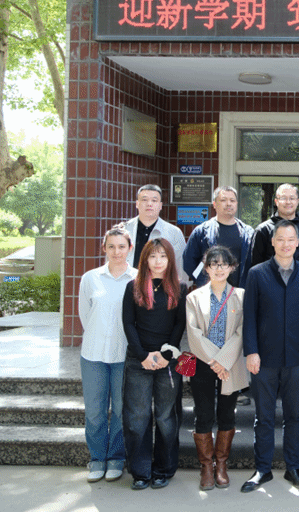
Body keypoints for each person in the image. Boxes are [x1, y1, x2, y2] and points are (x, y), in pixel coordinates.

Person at [241, 220, 299, 492]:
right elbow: (249, 316)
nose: (286, 244)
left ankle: (293, 468)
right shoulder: (257, 273)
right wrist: (251, 351)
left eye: (290, 239)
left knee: (294, 416)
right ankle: (262, 469)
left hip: (296, 357)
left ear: (298, 243)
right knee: (263, 416)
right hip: (264, 358)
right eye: (280, 239)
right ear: (273, 242)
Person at [121, 239, 186, 490]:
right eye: (153, 256)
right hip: (139, 360)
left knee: (166, 417)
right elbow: (128, 323)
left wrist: (166, 355)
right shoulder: (133, 287)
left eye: (163, 256)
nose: (158, 262)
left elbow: (179, 324)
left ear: (170, 260)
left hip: (168, 362)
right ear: (144, 259)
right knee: (137, 417)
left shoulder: (179, 287)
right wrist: (143, 356)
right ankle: (140, 471)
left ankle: (163, 469)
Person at [185, 246, 248, 491]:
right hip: (203, 364)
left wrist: (224, 361)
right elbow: (194, 334)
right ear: (206, 268)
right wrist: (215, 361)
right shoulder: (194, 297)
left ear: (232, 267)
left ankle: (221, 464)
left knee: (227, 414)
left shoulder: (241, 295)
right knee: (203, 414)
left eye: (224, 264)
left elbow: (242, 331)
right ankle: (206, 467)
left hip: (230, 365)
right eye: (214, 264)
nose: (219, 268)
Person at [78, 225, 136, 483]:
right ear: (104, 248)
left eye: (121, 246)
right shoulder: (90, 278)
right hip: (93, 354)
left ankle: (116, 458)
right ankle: (97, 459)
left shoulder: (137, 279)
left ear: (130, 248)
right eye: (111, 246)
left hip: (124, 355)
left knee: (122, 411)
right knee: (95, 411)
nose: (116, 251)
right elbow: (85, 315)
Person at [184, 186, 254, 288]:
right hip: (210, 291)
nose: (228, 203)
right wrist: (202, 280)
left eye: (232, 200)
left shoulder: (248, 233)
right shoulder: (202, 231)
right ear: (214, 204)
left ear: (236, 204)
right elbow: (188, 262)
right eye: (223, 200)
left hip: (239, 292)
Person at [124, 184, 187, 283]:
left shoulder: (174, 232)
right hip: (127, 287)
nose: (149, 204)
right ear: (137, 204)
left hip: (161, 288)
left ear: (160, 205)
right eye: (144, 200)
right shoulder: (124, 229)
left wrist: (179, 290)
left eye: (154, 200)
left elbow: (180, 268)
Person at [249, 183, 299, 269]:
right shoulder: (264, 229)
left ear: (297, 201)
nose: (288, 202)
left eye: (292, 198)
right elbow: (256, 264)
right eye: (283, 198)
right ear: (276, 201)